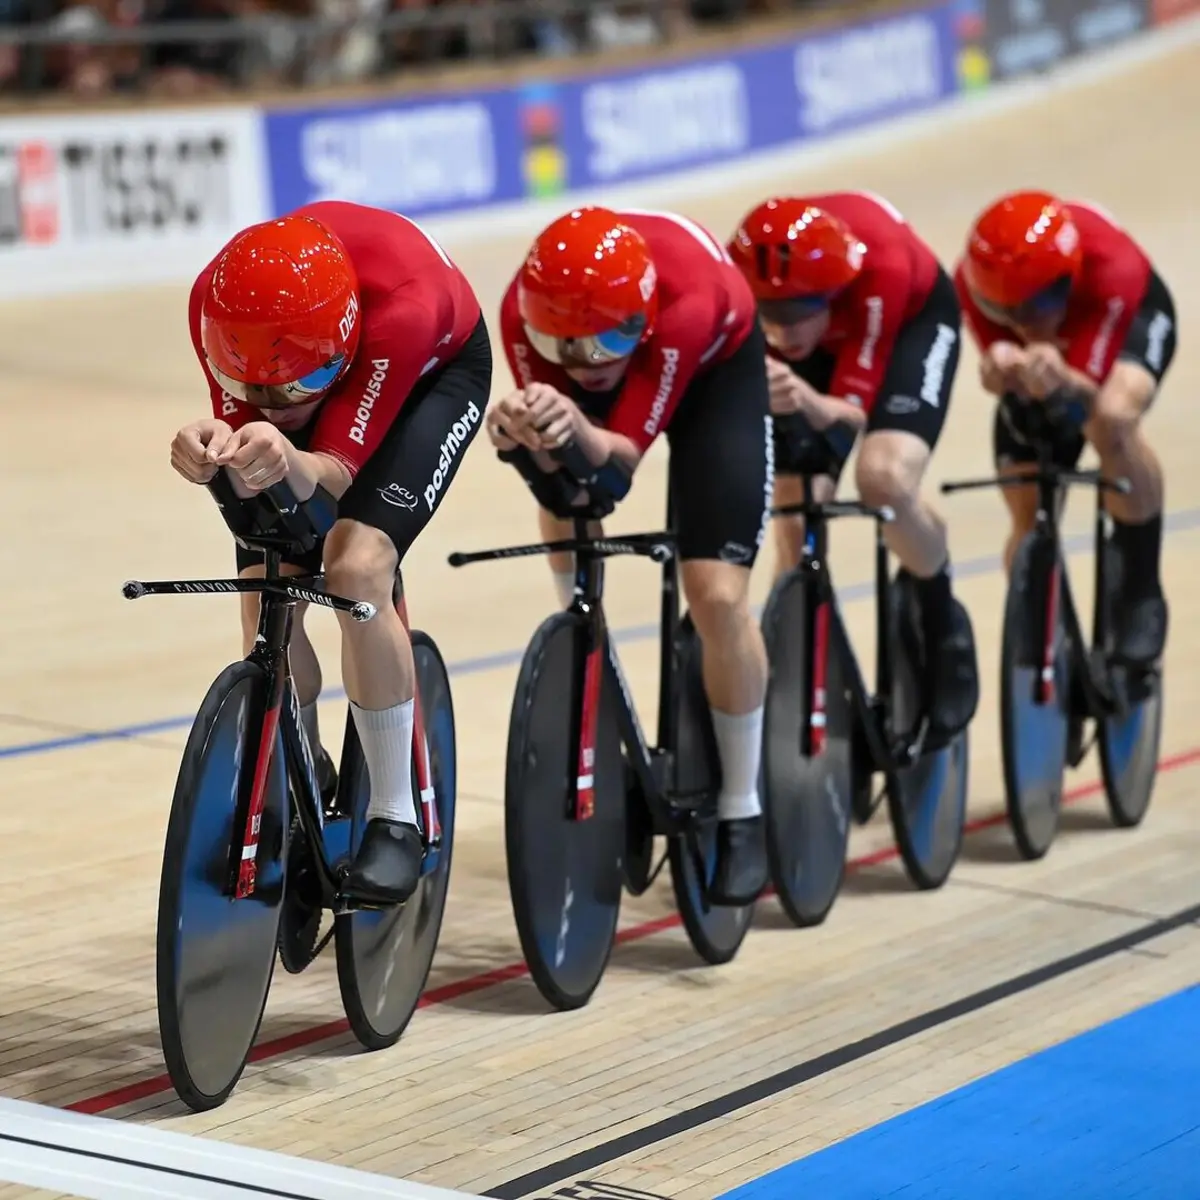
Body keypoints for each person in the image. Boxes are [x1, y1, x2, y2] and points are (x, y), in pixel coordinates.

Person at [170, 200, 491, 905]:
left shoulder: (404, 310)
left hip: (424, 376)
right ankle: (303, 767)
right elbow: (255, 435)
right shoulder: (213, 303)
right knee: (266, 575)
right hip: (315, 352)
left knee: (354, 564)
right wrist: (212, 448)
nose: (277, 404)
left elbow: (331, 479)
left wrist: (291, 450)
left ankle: (395, 818)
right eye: (255, 389)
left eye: (298, 390)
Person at [488, 205, 773, 907]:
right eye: (565, 344)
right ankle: (583, 632)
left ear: (639, 317)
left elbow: (616, 470)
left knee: (717, 595)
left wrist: (577, 425)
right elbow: (571, 474)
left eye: (608, 340)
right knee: (558, 476)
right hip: (630, 359)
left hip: (712, 376)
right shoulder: (523, 315)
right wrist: (524, 435)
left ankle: (743, 806)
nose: (587, 362)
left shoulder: (684, 307)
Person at [728, 192, 979, 743]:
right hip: (831, 339)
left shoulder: (880, 272)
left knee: (882, 479)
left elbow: (851, 416)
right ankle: (810, 664)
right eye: (770, 313)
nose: (782, 331)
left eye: (796, 314)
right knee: (794, 520)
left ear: (832, 290)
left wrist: (803, 398)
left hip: (908, 326)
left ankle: (941, 622)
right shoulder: (750, 286)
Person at [956, 190, 1175, 666]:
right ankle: (1038, 620)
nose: (1023, 323)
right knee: (1028, 496)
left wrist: (1054, 376)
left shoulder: (1113, 266)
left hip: (1123, 320)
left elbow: (1085, 393)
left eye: (1035, 307)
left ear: (1065, 280)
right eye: (1006, 314)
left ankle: (1139, 588)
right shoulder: (973, 285)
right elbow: (1004, 368)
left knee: (1111, 419)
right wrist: (1000, 371)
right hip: (1053, 357)